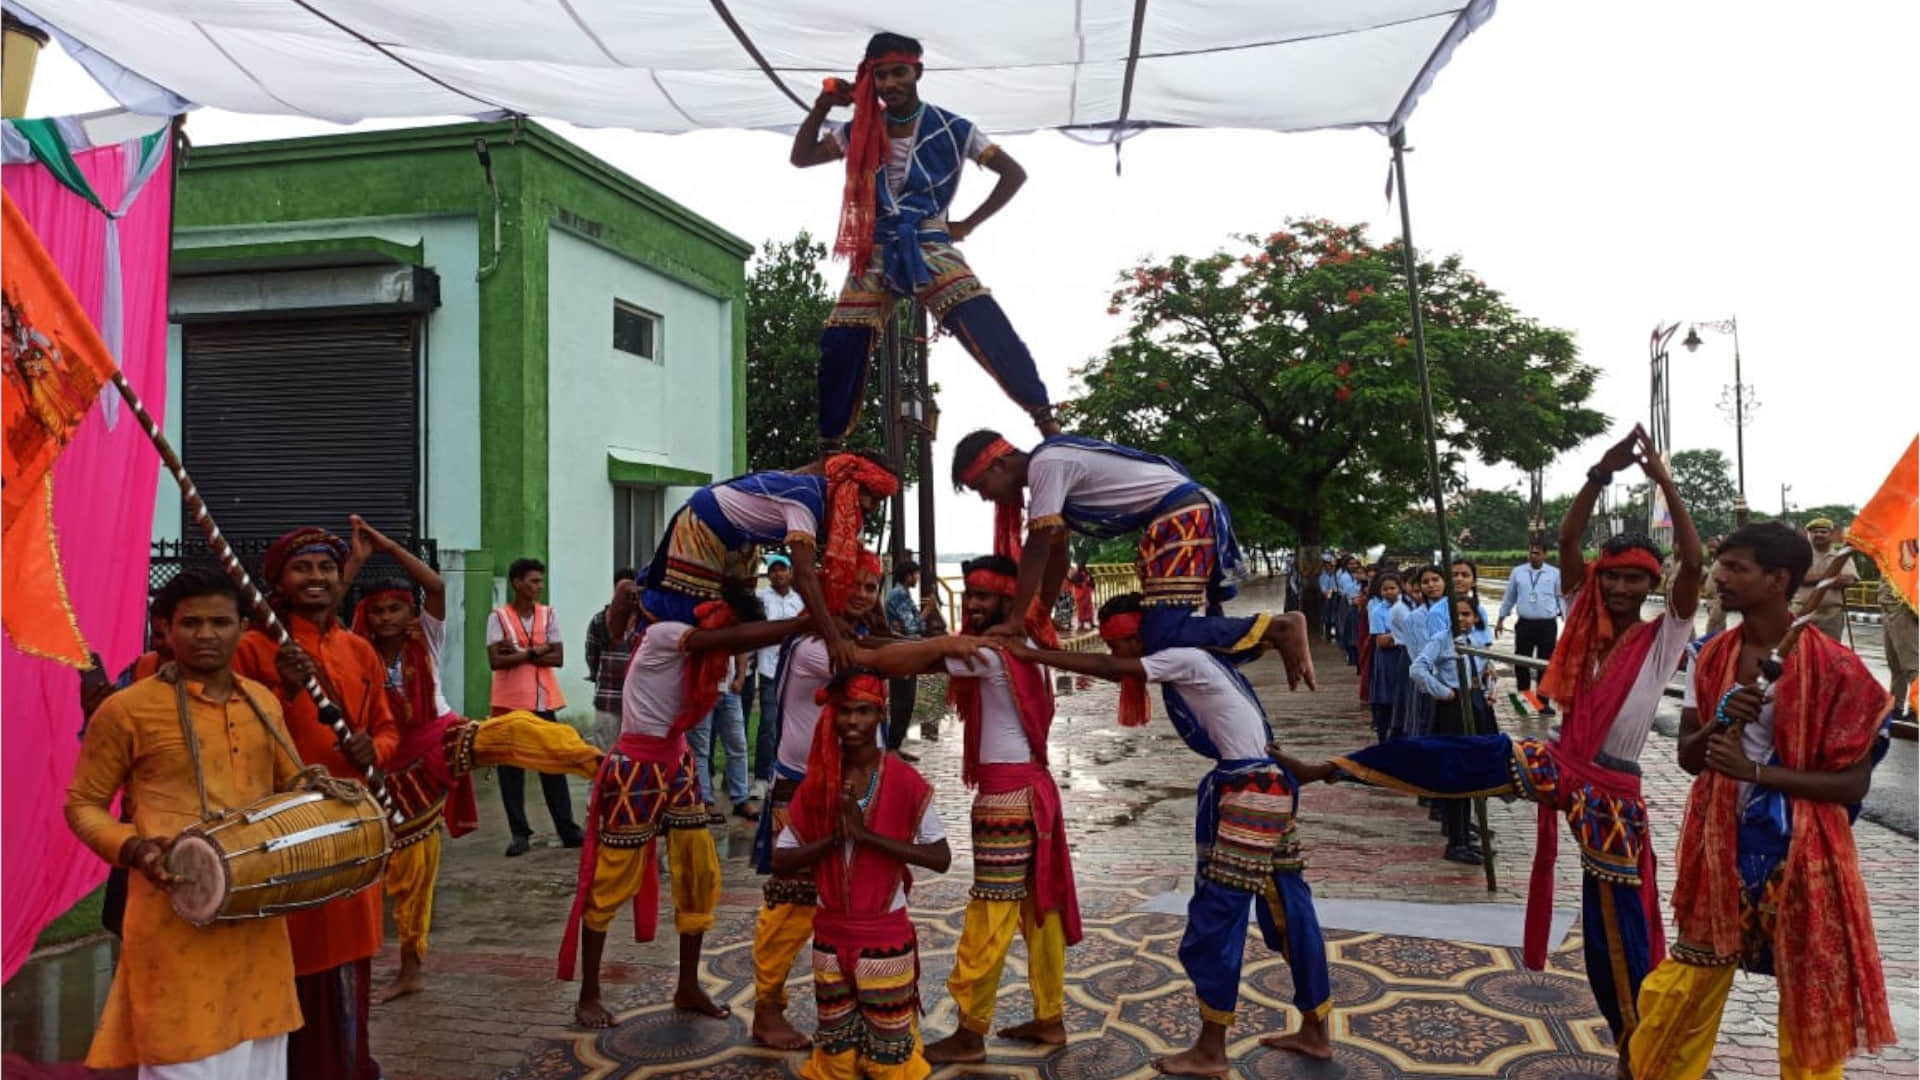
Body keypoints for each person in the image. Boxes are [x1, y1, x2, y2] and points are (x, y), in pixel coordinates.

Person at [1278, 425, 1702, 1071]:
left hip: (1612, 797)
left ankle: (1637, 1051)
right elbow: (1568, 542)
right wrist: (1599, 473)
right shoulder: (1581, 617)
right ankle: (1329, 770)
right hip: (1559, 763)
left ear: (1650, 586)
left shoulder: (1664, 637)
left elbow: (1692, 566)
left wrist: (1663, 480)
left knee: (1614, 935)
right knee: (1451, 756)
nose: (1620, 590)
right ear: (1599, 580)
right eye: (1612, 577)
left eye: (1633, 581)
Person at [1009, 596, 1330, 1075]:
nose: (1116, 654)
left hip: (1247, 791)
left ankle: (1211, 1050)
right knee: (1288, 909)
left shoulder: (1181, 656)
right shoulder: (1198, 657)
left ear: (1139, 636)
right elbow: (1119, 669)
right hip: (1267, 785)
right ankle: (1316, 1030)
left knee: (1217, 920)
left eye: (1119, 644)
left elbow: (1109, 669)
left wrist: (1034, 654)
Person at [1630, 522, 1894, 1080]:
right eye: (1721, 565)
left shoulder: (1838, 668)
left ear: (1778, 580)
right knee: (1686, 986)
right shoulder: (1709, 656)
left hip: (1799, 853)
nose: (1719, 577)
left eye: (1736, 568)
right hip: (1719, 846)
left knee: (1809, 1001)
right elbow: (1689, 757)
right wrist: (1722, 719)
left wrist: (1756, 772)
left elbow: (1852, 785)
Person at [345, 517, 603, 1005]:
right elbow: (320, 626)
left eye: (395, 608)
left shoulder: (426, 637)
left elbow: (436, 587)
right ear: (365, 615)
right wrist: (354, 564)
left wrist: (388, 546)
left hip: (444, 736)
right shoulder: (355, 652)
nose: (386, 618)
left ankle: (600, 765)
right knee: (412, 875)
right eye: (376, 611)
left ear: (409, 612)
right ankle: (410, 969)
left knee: (519, 731)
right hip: (396, 766)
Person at [66, 569, 305, 1079]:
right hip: (171, 913)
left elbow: (294, 791)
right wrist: (134, 849)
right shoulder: (127, 709)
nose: (205, 634)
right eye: (191, 623)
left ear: (243, 628)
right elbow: (82, 804)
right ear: (166, 629)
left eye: (220, 622)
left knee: (261, 1058)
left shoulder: (263, 703)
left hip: (257, 920)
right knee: (181, 1058)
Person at [748, 550, 974, 1050]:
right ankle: (767, 1009)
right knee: (789, 907)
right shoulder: (817, 645)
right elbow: (880, 659)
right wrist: (948, 648)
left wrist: (942, 648)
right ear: (827, 585)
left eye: (871, 587)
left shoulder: (845, 636)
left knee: (856, 883)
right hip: (803, 785)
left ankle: (864, 999)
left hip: (844, 779)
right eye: (853, 584)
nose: (862, 595)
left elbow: (886, 647)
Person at [791, 31, 1058, 450]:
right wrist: (822, 106)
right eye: (881, 76)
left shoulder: (954, 128)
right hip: (877, 245)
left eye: (899, 73)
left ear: (918, 72)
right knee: (842, 341)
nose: (890, 84)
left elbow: (1014, 173)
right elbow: (801, 158)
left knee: (986, 323)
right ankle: (830, 449)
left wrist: (967, 224)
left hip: (929, 240)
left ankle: (1048, 424)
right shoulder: (861, 128)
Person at [558, 587, 811, 1028]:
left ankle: (688, 985)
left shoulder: (700, 645)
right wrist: (803, 624)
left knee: (699, 873)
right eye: (732, 627)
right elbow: (729, 639)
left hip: (678, 762)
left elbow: (731, 641)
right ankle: (589, 994)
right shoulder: (667, 634)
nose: (731, 639)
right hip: (636, 766)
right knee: (612, 879)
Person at [232, 527, 397, 1080]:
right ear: (279, 581)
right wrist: (282, 689)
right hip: (288, 835)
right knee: (295, 964)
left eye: (326, 568)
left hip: (351, 828)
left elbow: (387, 727)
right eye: (302, 568)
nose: (317, 578)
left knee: (352, 962)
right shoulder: (253, 649)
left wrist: (375, 748)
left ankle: (349, 1065)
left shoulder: (359, 649)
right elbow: (236, 736)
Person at [920, 557, 1083, 1064]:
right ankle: (1050, 1017)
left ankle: (970, 1033)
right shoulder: (1028, 645)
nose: (972, 604)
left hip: (1006, 803)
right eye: (969, 594)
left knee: (989, 914)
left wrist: (854, 647)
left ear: (1009, 602)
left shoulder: (991, 653)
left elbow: (914, 658)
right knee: (1040, 910)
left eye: (983, 596)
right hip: (1032, 795)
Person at [951, 430, 1274, 663]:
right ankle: (1260, 637)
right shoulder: (1050, 476)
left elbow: (1037, 549)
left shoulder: (1045, 465)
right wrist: (1040, 617)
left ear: (999, 465)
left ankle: (1276, 629)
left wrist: (1016, 620)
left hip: (1182, 517)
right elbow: (1057, 559)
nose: (985, 497)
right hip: (1178, 517)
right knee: (1164, 640)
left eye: (980, 486)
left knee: (1161, 634)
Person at [770, 668, 952, 1080]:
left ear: (881, 715)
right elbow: (782, 861)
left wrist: (867, 837)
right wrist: (834, 839)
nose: (853, 721)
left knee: (890, 1064)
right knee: (835, 1062)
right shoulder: (819, 783)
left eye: (864, 711)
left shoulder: (904, 780)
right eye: (845, 711)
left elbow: (940, 857)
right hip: (830, 939)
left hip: (884, 940)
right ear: (832, 716)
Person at [640, 455, 898, 671]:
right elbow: (803, 576)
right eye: (870, 496)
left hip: (743, 540)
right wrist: (832, 638)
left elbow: (861, 570)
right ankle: (633, 596)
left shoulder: (842, 510)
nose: (873, 506)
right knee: (695, 621)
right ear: (850, 486)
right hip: (706, 523)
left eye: (879, 500)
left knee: (744, 619)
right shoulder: (807, 500)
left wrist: (882, 627)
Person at [488, 556, 586, 856]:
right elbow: (496, 660)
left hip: (543, 700)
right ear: (517, 583)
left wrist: (518, 653)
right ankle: (520, 833)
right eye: (533, 581)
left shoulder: (548, 614)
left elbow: (558, 657)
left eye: (540, 581)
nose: (538, 586)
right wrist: (535, 652)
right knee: (511, 769)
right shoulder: (498, 617)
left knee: (553, 763)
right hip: (509, 702)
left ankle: (567, 828)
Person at [1496, 542, 1562, 709]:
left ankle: (1542, 702)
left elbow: (1560, 597)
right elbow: (1509, 596)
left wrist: (1567, 621)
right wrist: (1501, 619)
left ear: (1545, 555)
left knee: (1545, 663)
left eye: (1537, 553)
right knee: (1521, 661)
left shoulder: (1554, 573)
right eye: (1531, 553)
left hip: (1547, 625)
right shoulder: (1518, 572)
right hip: (1525, 624)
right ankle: (1524, 698)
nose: (1533, 556)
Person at [585, 569, 641, 751]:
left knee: (632, 753)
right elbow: (592, 656)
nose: (628, 596)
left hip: (637, 702)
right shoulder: (600, 620)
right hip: (608, 700)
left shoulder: (643, 620)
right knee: (605, 753)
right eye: (623, 591)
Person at [883, 558, 928, 760]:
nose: (917, 578)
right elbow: (912, 627)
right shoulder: (899, 595)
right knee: (903, 700)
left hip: (907, 649)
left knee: (906, 700)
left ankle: (895, 745)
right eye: (915, 574)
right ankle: (892, 747)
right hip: (903, 651)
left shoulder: (902, 594)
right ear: (908, 576)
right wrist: (928, 611)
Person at [1793, 517, 1860, 643]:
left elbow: (1849, 579)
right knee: (1801, 650)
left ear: (1831, 535)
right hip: (1802, 613)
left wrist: (1814, 578)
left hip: (1831, 616)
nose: (1819, 534)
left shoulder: (1841, 556)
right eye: (1815, 532)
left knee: (1829, 650)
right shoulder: (1800, 556)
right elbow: (1799, 578)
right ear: (1809, 534)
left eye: (1823, 532)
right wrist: (1832, 577)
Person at [1364, 572, 1405, 743]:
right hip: (1387, 659)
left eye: (1392, 588)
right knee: (1387, 696)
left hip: (1405, 655)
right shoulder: (1377, 611)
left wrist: (1394, 636)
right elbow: (1381, 641)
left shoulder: (1408, 606)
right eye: (1385, 589)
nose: (1389, 592)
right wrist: (1404, 635)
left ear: (1400, 588)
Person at [1879, 577, 1917, 722]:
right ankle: (1896, 706)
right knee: (1895, 666)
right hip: (1888, 610)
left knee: (1912, 666)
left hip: (1904, 611)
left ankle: (1915, 709)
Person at [1068, 562, 1096, 631]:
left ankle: (1090, 622)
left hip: (1086, 593)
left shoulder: (1087, 573)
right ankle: (1081, 623)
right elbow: (1073, 581)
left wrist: (1091, 585)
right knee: (1081, 608)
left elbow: (1092, 581)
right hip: (1080, 593)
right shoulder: (1077, 574)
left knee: (1088, 607)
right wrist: (1080, 584)